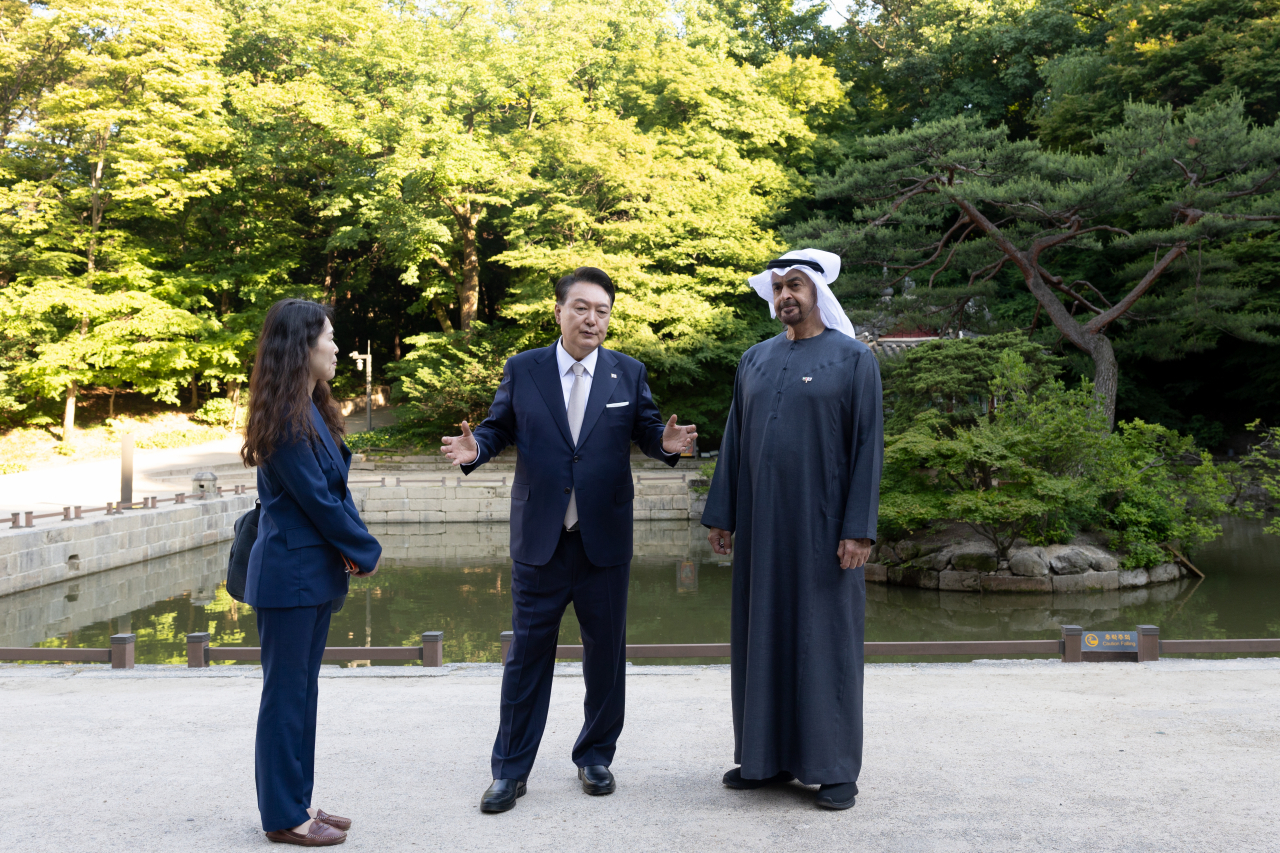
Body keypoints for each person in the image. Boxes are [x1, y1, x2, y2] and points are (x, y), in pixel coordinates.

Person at [440, 267, 698, 813]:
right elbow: (497, 426)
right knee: (527, 657)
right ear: (557, 311)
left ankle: (595, 756)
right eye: (581, 308)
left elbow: (649, 430)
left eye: (602, 311)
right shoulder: (524, 368)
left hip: (603, 539)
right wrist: (477, 450)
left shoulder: (628, 372)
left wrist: (667, 445)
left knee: (606, 657)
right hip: (542, 540)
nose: (592, 319)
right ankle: (510, 770)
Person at [701, 249, 883, 811]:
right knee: (762, 636)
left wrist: (858, 530)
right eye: (778, 287)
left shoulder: (854, 360)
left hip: (825, 531)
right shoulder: (753, 360)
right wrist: (723, 514)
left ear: (818, 293)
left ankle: (834, 770)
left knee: (825, 641)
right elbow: (735, 438)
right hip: (761, 527)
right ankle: (764, 759)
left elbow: (866, 449)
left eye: (795, 286)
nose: (785, 296)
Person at [241, 299, 383, 846]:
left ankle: (296, 802)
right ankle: (284, 817)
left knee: (302, 694)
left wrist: (353, 548)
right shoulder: (284, 418)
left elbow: (332, 493)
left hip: (311, 574)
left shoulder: (309, 409)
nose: (337, 346)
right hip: (289, 577)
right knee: (286, 697)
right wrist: (365, 550)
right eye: (329, 336)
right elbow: (320, 501)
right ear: (302, 346)